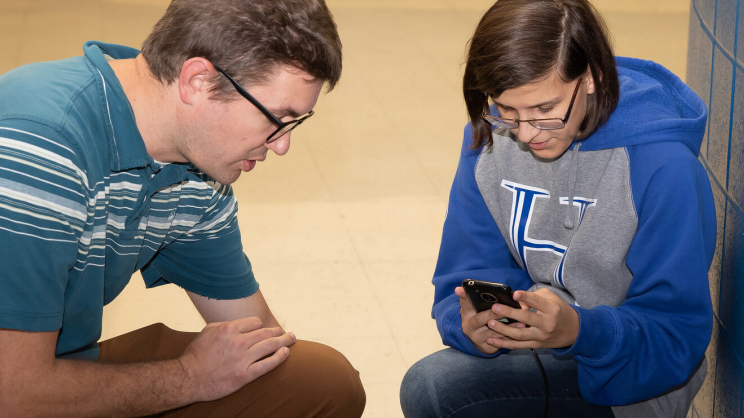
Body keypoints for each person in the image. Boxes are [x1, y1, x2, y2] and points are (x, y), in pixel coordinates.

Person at [0, 0, 366, 417]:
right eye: (276, 118)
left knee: (317, 380)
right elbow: (13, 395)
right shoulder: (39, 148)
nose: (282, 145)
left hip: (57, 368)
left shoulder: (195, 167)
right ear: (197, 81)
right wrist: (190, 377)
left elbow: (261, 341)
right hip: (17, 386)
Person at [399, 0, 716, 417]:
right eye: (507, 110)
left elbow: (675, 336)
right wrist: (472, 325)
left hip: (629, 378)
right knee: (431, 387)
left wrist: (580, 330)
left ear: (591, 77)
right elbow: (465, 275)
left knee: (437, 391)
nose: (526, 134)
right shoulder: (491, 140)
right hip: (535, 350)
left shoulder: (663, 165)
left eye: (544, 110)